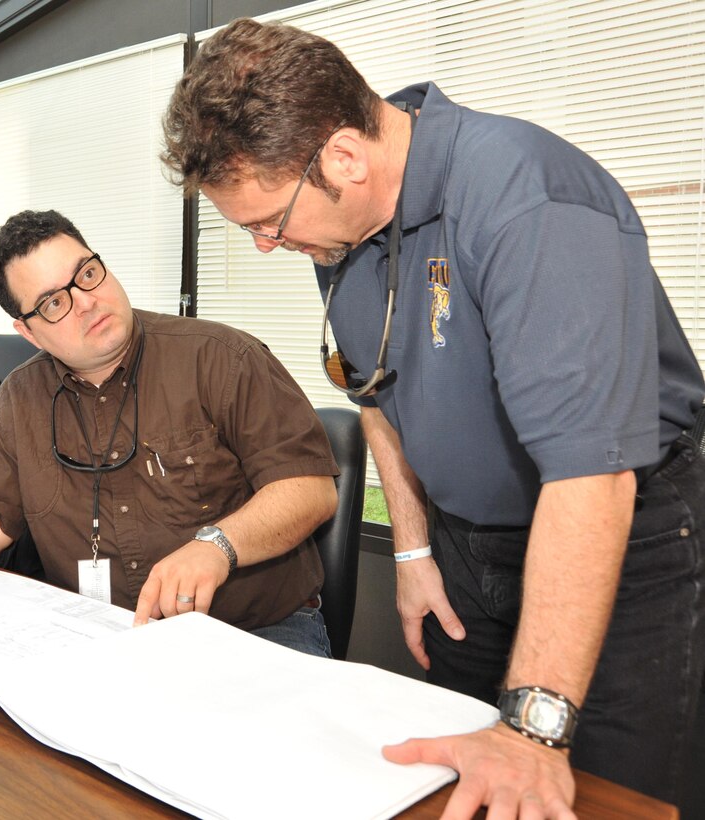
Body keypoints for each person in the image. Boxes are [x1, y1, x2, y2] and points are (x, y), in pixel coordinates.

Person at [160, 16, 705, 815]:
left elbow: (591, 475)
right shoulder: (343, 226)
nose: (265, 247)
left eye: (268, 224)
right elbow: (376, 392)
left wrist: (533, 726)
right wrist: (413, 552)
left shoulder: (527, 200)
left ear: (343, 157)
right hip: (464, 551)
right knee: (445, 784)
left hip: (619, 546)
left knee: (598, 797)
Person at [0, 209, 340, 658]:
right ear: (27, 331)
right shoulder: (19, 401)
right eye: (54, 302)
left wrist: (218, 546)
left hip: (255, 634)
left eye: (88, 273)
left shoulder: (223, 359)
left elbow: (310, 489)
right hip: (101, 639)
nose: (86, 301)